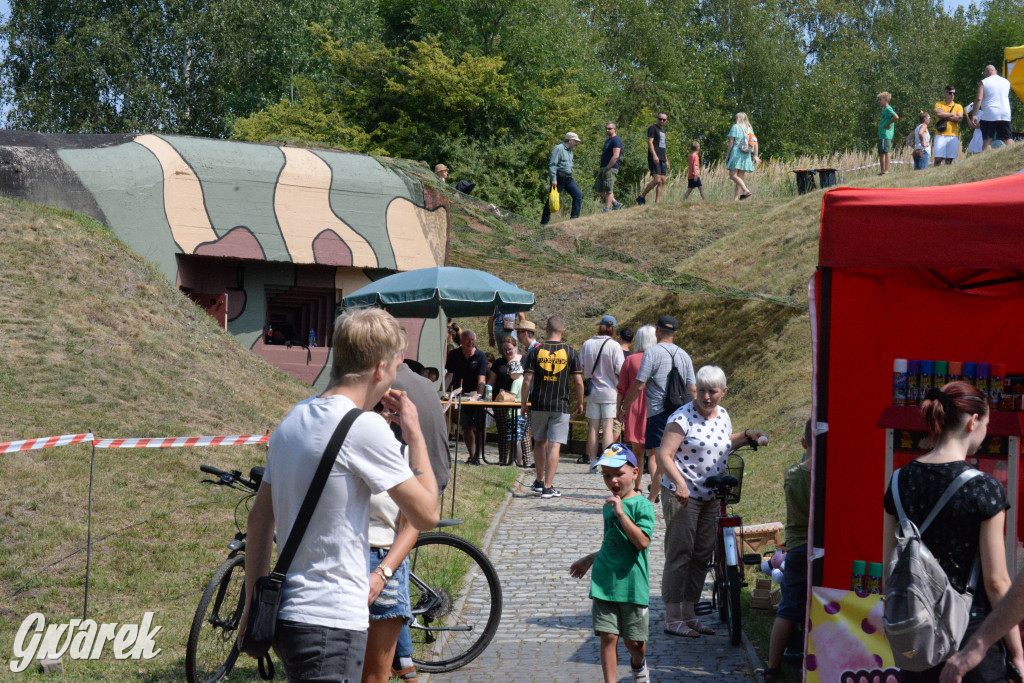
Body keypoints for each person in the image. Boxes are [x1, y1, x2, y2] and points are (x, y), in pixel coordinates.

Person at [240, 308, 440, 683]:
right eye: (395, 367)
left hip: (290, 617)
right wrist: (414, 436)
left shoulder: (293, 419)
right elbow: (427, 513)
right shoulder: (363, 428)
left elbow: (259, 520)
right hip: (331, 623)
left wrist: (253, 606)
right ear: (380, 369)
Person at [883, 383, 1023, 682]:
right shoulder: (984, 488)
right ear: (973, 421)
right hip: (970, 640)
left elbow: (890, 566)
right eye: (986, 424)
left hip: (917, 638)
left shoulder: (898, 481)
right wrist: (1017, 652)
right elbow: (997, 582)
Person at [655, 365, 767, 637]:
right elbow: (664, 455)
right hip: (683, 495)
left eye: (712, 392)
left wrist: (747, 435)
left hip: (711, 495)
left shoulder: (723, 415)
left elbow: (723, 442)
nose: (706, 397)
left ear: (723, 392)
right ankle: (672, 617)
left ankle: (689, 613)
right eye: (701, 391)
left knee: (702, 555)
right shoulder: (682, 417)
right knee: (680, 553)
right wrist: (680, 483)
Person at [569, 444, 655, 683]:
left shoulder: (643, 506)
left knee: (635, 643)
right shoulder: (610, 505)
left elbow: (641, 543)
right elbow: (611, 543)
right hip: (605, 581)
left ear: (635, 472)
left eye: (619, 474)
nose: (613, 480)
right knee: (608, 636)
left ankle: (638, 664)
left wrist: (621, 514)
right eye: (607, 475)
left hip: (632, 584)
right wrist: (589, 559)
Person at [618, 315, 697, 505]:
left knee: (661, 456)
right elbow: (692, 388)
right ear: (676, 334)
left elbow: (639, 385)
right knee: (669, 456)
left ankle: (663, 494)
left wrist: (624, 407)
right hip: (681, 413)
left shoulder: (652, 353)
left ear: (657, 330)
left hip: (658, 413)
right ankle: (654, 496)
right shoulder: (684, 355)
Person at [763, 419, 812, 683]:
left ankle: (772, 667)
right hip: (821, 546)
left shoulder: (792, 474)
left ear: (804, 443)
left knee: (788, 607)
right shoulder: (831, 473)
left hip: (797, 547)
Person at [521, 315, 584, 498]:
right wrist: (580, 402)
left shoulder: (535, 352)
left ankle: (539, 481)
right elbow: (579, 382)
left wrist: (524, 403)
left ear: (546, 331)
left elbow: (526, 381)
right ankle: (548, 486)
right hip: (560, 405)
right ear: (563, 332)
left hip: (539, 403)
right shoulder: (571, 352)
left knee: (539, 442)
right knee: (555, 445)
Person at [582, 315, 626, 470]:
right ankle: (606, 463)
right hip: (610, 392)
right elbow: (621, 370)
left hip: (593, 391)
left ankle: (592, 462)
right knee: (608, 427)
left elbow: (582, 367)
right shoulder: (615, 347)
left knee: (593, 428)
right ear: (613, 329)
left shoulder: (587, 344)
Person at [617, 325, 656, 495]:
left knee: (637, 451)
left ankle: (638, 486)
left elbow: (621, 388)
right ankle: (656, 487)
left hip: (633, 407)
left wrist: (619, 409)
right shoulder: (658, 359)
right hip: (654, 407)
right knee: (653, 453)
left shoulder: (630, 360)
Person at [444, 329, 487, 464]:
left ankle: (478, 456)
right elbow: (449, 375)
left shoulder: (480, 356)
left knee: (481, 427)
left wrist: (478, 397)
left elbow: (481, 380)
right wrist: (441, 393)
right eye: (467, 339)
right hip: (460, 396)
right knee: (467, 427)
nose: (470, 342)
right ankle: (472, 455)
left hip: (475, 396)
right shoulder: (454, 355)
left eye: (472, 339)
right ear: (461, 341)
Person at [488, 337, 531, 466]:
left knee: (522, 434)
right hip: (501, 402)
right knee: (504, 432)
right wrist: (488, 396)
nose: (507, 352)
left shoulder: (524, 360)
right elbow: (491, 381)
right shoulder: (499, 363)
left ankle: (525, 460)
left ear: (516, 347)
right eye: (504, 349)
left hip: (519, 403)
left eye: (510, 349)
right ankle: (504, 459)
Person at [541, 132, 583, 225]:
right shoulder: (558, 148)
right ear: (570, 140)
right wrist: (553, 179)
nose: (576, 143)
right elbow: (552, 165)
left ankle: (574, 218)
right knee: (552, 200)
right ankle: (544, 223)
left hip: (568, 178)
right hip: (558, 178)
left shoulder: (570, 151)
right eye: (575, 141)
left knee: (578, 195)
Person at [971, 64, 1015, 151]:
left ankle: (986, 162)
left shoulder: (983, 82)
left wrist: (974, 114)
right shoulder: (1006, 82)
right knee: (1007, 138)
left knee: (987, 140)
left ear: (985, 74)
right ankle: (1015, 156)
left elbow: (979, 98)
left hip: (990, 114)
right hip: (1005, 113)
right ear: (996, 72)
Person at [725, 113, 759, 200]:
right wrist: (755, 156)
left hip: (736, 153)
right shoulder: (749, 129)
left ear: (738, 118)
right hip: (746, 155)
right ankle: (736, 199)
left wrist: (727, 154)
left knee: (732, 175)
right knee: (739, 178)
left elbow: (731, 142)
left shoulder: (735, 127)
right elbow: (755, 142)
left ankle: (746, 190)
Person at [637, 113, 669, 205]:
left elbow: (663, 147)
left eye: (664, 119)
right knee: (657, 179)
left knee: (662, 181)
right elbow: (650, 143)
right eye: (660, 119)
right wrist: (654, 155)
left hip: (662, 158)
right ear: (657, 119)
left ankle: (657, 203)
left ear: (666, 121)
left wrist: (666, 160)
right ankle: (641, 197)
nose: (661, 121)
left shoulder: (662, 131)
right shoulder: (653, 128)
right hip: (654, 158)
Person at [595, 122, 624, 213]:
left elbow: (616, 156)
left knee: (608, 189)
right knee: (599, 188)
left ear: (614, 129)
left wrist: (608, 167)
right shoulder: (608, 140)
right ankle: (616, 203)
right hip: (603, 167)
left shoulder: (616, 140)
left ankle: (607, 209)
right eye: (606, 128)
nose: (607, 130)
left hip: (610, 168)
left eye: (610, 128)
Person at [933, 86, 964, 165]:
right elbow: (938, 113)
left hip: (953, 135)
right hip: (941, 134)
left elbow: (959, 118)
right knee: (938, 157)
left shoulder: (958, 106)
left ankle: (946, 174)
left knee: (949, 159)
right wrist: (952, 114)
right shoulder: (939, 104)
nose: (952, 95)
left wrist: (944, 114)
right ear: (946, 93)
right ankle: (935, 172)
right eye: (950, 93)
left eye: (954, 93)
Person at [877, 92, 899, 175]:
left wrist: (888, 124)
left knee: (886, 151)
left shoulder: (888, 108)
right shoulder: (884, 109)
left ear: (886, 99)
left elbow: (896, 117)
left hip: (885, 134)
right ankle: (882, 170)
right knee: (881, 152)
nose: (879, 101)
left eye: (880, 100)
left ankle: (886, 170)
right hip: (882, 134)